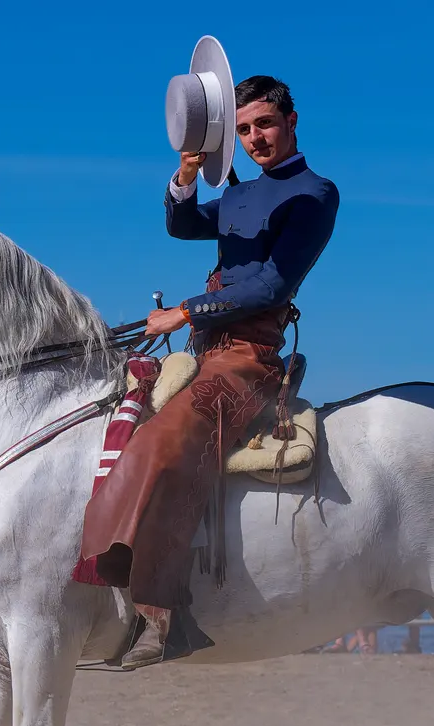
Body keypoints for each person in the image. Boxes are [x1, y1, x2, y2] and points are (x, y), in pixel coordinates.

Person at [81, 73, 339, 668]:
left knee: (166, 440)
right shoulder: (241, 196)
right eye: (244, 129)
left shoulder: (314, 194)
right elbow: (181, 224)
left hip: (250, 357)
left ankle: (163, 614)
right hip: (206, 350)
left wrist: (184, 311)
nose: (256, 138)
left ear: (292, 121)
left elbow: (274, 283)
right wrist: (186, 176)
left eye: (266, 125)